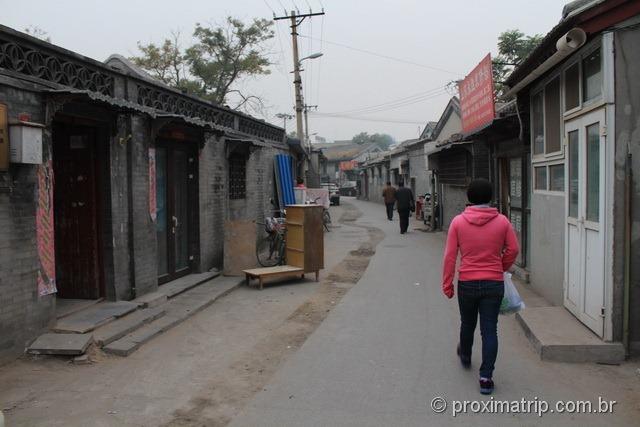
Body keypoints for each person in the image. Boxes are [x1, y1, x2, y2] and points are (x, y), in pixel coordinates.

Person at [441, 179, 519, 395]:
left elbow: (450, 256)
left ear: (469, 197)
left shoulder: (458, 222)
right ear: (490, 197)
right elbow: (513, 249)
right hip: (493, 284)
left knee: (467, 323)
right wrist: (499, 267)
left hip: (467, 282)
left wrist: (447, 283)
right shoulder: (502, 221)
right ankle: (486, 377)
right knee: (489, 330)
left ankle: (465, 355)